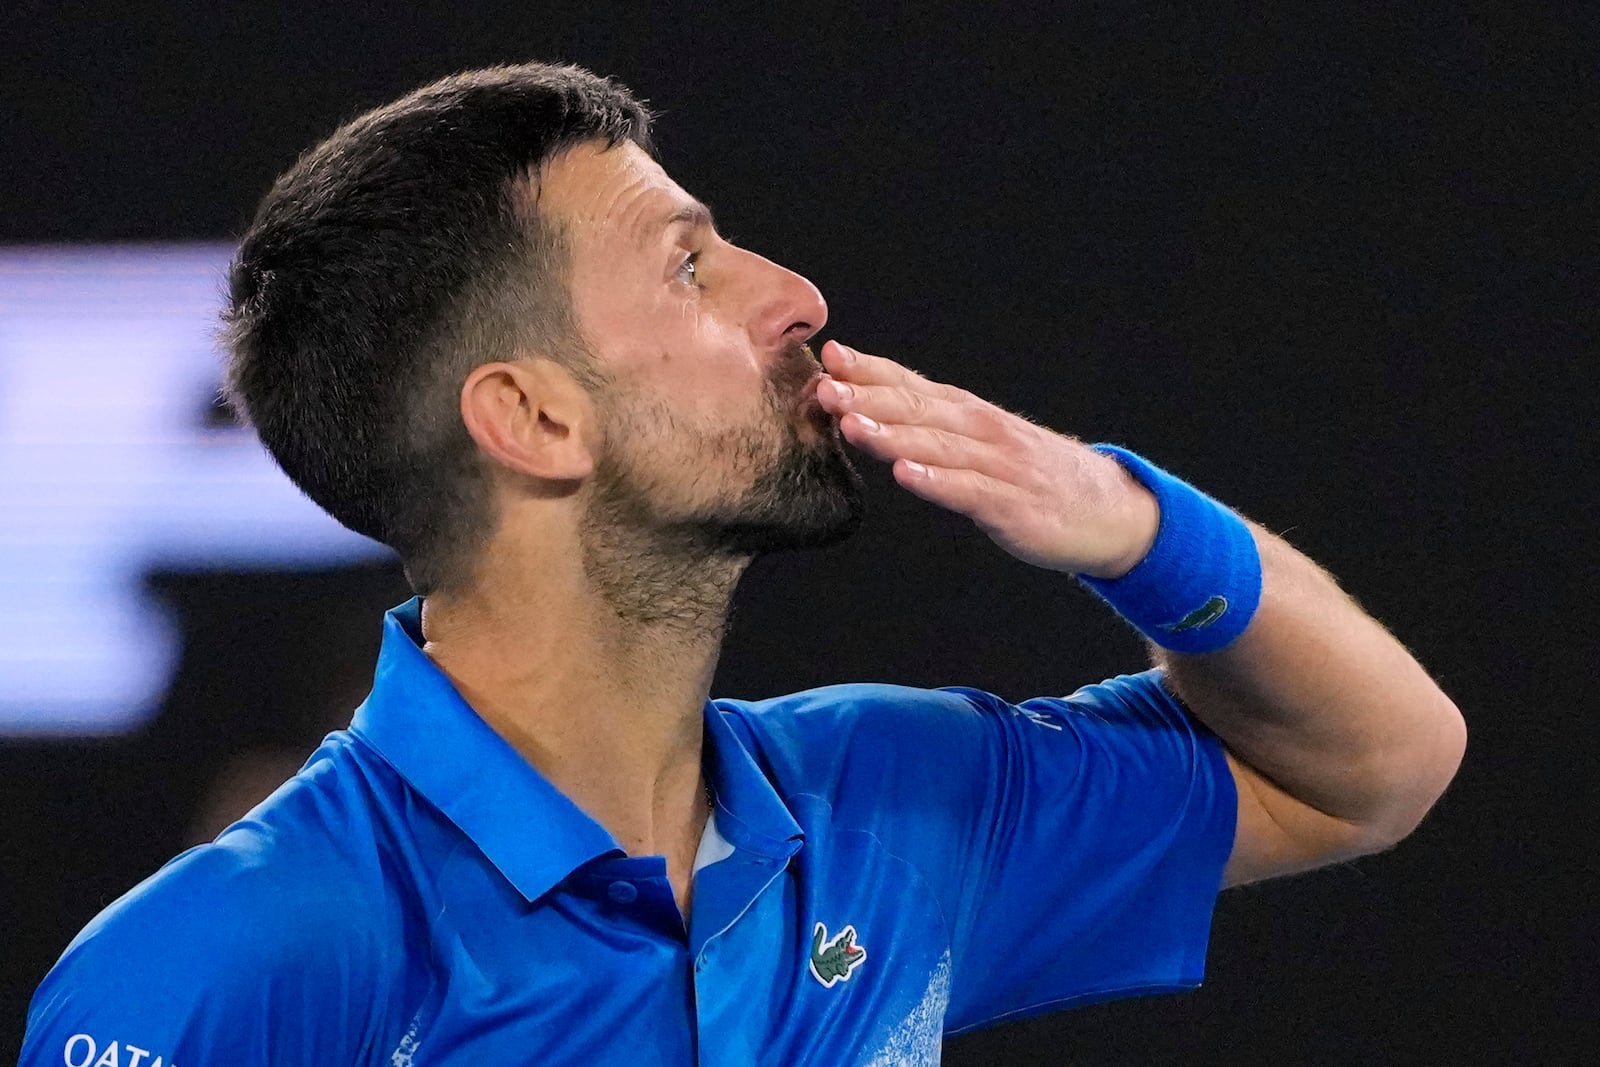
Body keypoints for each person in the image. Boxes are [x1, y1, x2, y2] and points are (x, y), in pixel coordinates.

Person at [21, 63, 1465, 1067]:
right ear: (532, 415)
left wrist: (1143, 535)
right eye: (690, 266)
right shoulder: (228, 964)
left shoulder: (889, 807)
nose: (799, 297)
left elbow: (1375, 768)